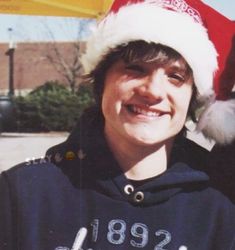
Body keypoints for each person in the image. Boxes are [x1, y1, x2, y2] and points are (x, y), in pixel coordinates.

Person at [1, 0, 235, 249]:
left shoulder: (222, 206)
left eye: (175, 76)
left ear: (193, 98)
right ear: (101, 82)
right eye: (135, 69)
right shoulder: (21, 193)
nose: (153, 91)